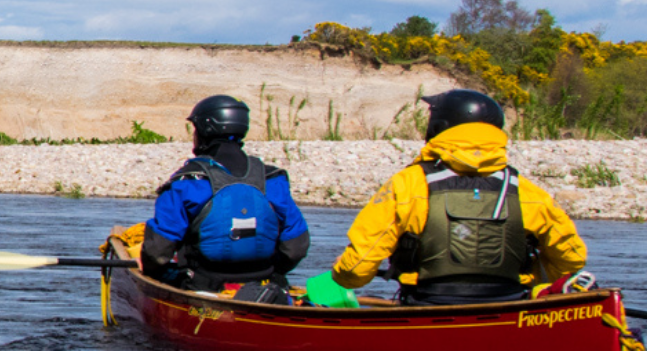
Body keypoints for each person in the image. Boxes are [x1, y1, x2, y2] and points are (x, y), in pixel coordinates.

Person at [310, 89, 587, 306]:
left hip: (428, 304)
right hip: (509, 306)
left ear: (438, 127)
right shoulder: (527, 191)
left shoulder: (407, 185)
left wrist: (341, 275)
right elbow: (572, 260)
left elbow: (357, 270)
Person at [140, 94, 310, 295]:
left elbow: (157, 252)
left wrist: (151, 271)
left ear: (204, 129)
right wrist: (273, 271)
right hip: (264, 286)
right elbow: (297, 245)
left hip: (201, 286)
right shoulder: (272, 180)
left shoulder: (186, 183)